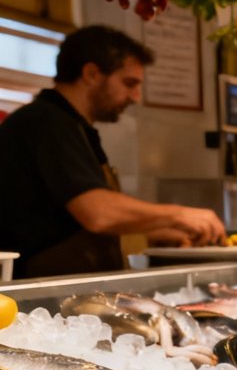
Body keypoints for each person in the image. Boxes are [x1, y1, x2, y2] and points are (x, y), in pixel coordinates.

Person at [0, 26, 225, 277]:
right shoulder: (45, 122)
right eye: (129, 83)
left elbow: (66, 226)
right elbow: (98, 213)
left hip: (65, 284)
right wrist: (179, 215)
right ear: (92, 74)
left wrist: (161, 235)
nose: (136, 97)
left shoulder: (75, 126)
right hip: (32, 295)